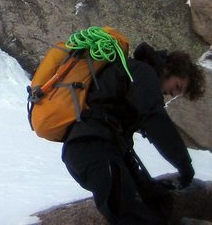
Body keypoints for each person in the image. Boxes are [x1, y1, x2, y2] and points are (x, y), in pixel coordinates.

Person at [61, 41, 206, 224]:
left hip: (99, 150)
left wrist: (148, 185)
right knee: (132, 216)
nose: (172, 94)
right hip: (91, 148)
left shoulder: (134, 78)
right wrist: (185, 166)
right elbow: (157, 124)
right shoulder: (143, 74)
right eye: (177, 86)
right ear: (169, 69)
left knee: (157, 202)